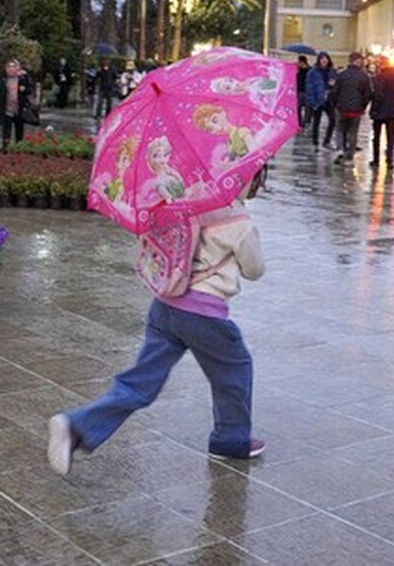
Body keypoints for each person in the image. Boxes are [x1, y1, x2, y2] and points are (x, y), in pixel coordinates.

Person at [48, 165, 270, 472]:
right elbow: (255, 270)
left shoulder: (185, 202)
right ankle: (230, 440)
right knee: (234, 371)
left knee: (140, 383)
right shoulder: (239, 221)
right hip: (204, 315)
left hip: (165, 305)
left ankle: (77, 425)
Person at [331, 51, 373, 165]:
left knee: (340, 130)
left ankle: (340, 149)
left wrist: (335, 104)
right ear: (358, 62)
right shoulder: (364, 77)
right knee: (353, 133)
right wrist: (363, 107)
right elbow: (367, 95)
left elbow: (335, 91)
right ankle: (349, 156)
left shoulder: (342, 75)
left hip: (342, 108)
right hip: (356, 110)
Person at [370, 58, 394, 170]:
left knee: (376, 136)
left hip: (379, 111)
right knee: (390, 135)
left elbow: (377, 96)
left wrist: (373, 110)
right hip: (392, 111)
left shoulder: (378, 78)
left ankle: (376, 160)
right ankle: (389, 159)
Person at [0, 58, 33, 152]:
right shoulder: (4, 79)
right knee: (6, 130)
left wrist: (24, 89)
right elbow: (0, 93)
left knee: (19, 129)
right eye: (9, 66)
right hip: (7, 108)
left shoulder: (22, 78)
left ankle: (18, 147)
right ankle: (5, 147)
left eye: (13, 66)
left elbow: (30, 89)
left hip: (19, 108)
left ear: (17, 68)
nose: (11, 69)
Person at [306, 51, 338, 150]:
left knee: (333, 120)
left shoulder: (332, 71)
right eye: (322, 58)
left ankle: (327, 141)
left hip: (329, 99)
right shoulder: (313, 72)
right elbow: (309, 87)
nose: (324, 60)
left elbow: (336, 84)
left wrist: (333, 84)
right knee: (316, 121)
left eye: (326, 58)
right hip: (318, 99)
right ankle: (315, 141)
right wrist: (312, 101)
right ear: (319, 60)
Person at [295, 55, 311, 129]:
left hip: (307, 92)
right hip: (299, 92)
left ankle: (306, 123)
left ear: (302, 62)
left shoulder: (310, 70)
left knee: (308, 108)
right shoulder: (298, 70)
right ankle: (299, 123)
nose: (297, 64)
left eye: (298, 62)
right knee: (298, 108)